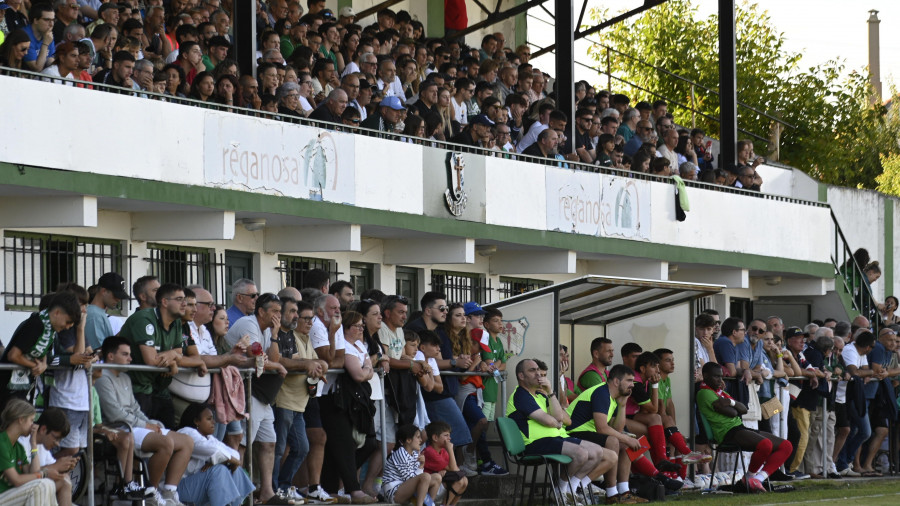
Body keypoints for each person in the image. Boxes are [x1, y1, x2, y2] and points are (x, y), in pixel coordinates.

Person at [96, 336, 195, 506]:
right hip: (120, 428)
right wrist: (145, 425)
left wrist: (152, 424)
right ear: (110, 357)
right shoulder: (103, 377)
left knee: (186, 441)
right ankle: (151, 493)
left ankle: (169, 491)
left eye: (130, 355)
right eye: (125, 354)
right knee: (165, 443)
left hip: (135, 425)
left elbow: (135, 408)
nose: (131, 359)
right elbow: (114, 414)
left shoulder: (125, 377)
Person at [508, 359, 612, 502]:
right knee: (581, 453)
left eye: (539, 370)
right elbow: (549, 421)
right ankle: (560, 492)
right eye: (532, 370)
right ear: (521, 376)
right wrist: (556, 423)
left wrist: (550, 392)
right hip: (533, 444)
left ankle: (570, 490)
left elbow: (558, 417)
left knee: (597, 452)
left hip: (553, 439)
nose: (538, 373)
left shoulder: (540, 394)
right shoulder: (521, 395)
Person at [697, 362, 793, 492]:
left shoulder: (720, 392)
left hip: (739, 428)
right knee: (765, 444)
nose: (720, 380)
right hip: (727, 433)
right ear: (706, 376)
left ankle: (757, 479)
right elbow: (732, 413)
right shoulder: (704, 393)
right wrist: (733, 406)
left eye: (721, 377)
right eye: (716, 377)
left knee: (786, 446)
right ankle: (749, 477)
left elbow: (743, 409)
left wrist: (730, 402)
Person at [320, 311, 377, 503]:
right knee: (341, 444)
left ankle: (337, 483)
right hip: (336, 400)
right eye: (357, 326)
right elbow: (359, 375)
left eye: (362, 325)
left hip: (356, 402)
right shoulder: (344, 345)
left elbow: (367, 366)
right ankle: (352, 489)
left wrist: (366, 369)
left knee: (369, 442)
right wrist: (367, 370)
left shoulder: (359, 344)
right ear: (346, 328)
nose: (362, 329)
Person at [0, 291, 81, 405]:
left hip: (25, 384)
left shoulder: (51, 330)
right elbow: (13, 355)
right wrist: (35, 366)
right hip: (9, 385)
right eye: (67, 322)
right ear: (57, 313)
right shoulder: (36, 324)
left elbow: (45, 355)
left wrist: (43, 364)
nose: (67, 327)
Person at [175, 403, 255, 506]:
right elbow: (214, 451)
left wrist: (221, 460)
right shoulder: (187, 433)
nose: (214, 422)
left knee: (233, 469)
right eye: (209, 419)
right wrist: (225, 460)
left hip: (194, 486)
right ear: (196, 421)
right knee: (218, 470)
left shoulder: (208, 437)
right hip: (178, 488)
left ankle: (234, 504)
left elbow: (235, 455)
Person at [0, 399, 59, 505]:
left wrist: (33, 444)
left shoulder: (18, 447)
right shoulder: (2, 442)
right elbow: (16, 480)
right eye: (31, 420)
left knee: (48, 483)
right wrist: (44, 474)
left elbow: (32, 474)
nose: (33, 425)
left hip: (10, 496)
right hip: (2, 496)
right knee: (40, 485)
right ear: (21, 419)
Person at [382, 424, 442, 506]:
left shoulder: (414, 454)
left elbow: (417, 479)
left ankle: (428, 504)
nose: (421, 440)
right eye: (418, 437)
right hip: (394, 493)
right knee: (426, 476)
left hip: (406, 489)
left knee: (437, 477)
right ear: (408, 440)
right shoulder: (400, 453)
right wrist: (421, 466)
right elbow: (410, 479)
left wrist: (421, 464)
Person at [423, 421, 468, 506]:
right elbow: (454, 469)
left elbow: (456, 470)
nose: (449, 438)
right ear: (435, 438)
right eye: (446, 435)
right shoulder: (430, 451)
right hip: (428, 490)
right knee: (459, 481)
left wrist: (446, 470)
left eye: (449, 435)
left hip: (439, 485)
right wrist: (450, 449)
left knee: (464, 480)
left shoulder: (443, 451)